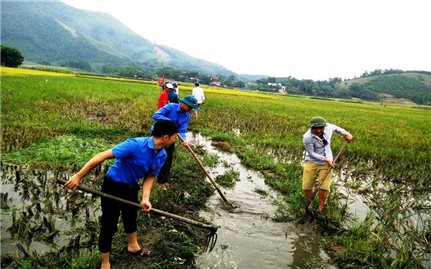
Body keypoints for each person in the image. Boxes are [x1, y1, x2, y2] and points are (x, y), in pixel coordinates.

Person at [64, 120, 179, 269]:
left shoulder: (162, 154)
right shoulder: (135, 145)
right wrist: (79, 176)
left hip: (131, 187)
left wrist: (145, 199)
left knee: (130, 216)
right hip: (112, 186)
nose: (176, 139)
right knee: (109, 224)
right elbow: (102, 155)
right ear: (165, 137)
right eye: (175, 137)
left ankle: (133, 246)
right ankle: (105, 262)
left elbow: (150, 177)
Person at [302, 116, 353, 213]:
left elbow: (336, 128)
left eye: (320, 128)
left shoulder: (328, 127)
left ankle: (321, 207)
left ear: (324, 127)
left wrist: (347, 134)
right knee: (307, 185)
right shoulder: (307, 137)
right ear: (311, 128)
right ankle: (308, 204)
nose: (318, 130)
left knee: (324, 186)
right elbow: (312, 153)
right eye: (315, 128)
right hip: (312, 161)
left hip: (327, 162)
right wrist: (326, 160)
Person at [152, 95, 198, 190]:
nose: (190, 109)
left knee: (169, 158)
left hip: (170, 137)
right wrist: (169, 122)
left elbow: (182, 130)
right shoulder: (170, 107)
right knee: (161, 157)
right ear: (183, 104)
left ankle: (163, 180)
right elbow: (155, 115)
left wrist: (184, 140)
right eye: (190, 107)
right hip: (159, 134)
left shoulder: (186, 115)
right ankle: (157, 180)